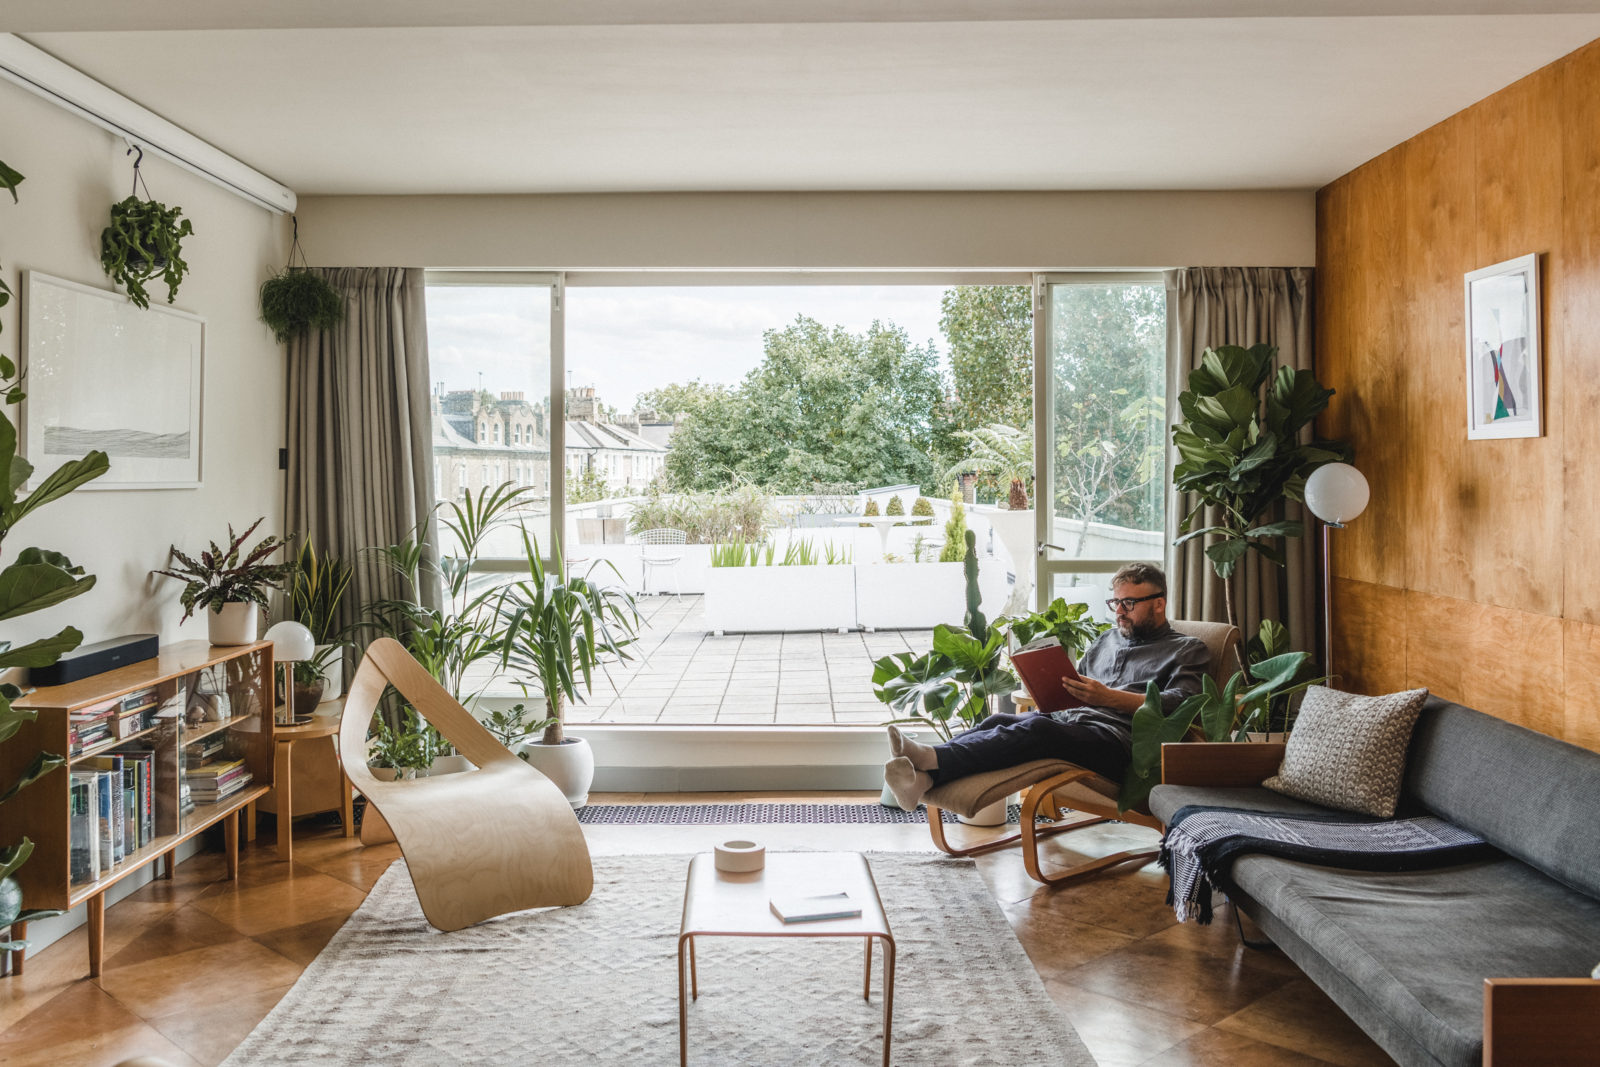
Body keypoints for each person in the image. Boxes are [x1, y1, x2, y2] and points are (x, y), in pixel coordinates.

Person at [883, 562, 1210, 812]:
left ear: (1158, 603)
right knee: (1000, 722)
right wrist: (1049, 685)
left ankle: (930, 757)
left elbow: (1181, 703)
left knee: (1038, 730)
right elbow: (1078, 685)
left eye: (1129, 604)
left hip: (1117, 746)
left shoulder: (1186, 649)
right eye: (1116, 603)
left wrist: (1108, 698)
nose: (1120, 613)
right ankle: (924, 779)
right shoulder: (1106, 640)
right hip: (1072, 726)